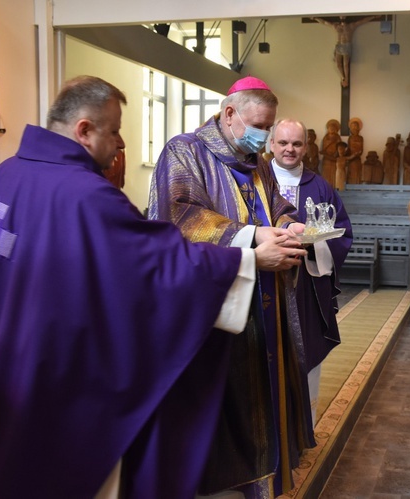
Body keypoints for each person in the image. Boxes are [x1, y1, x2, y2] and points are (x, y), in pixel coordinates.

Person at [0, 75, 306, 498]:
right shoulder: (87, 192)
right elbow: (157, 261)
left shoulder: (3, 177)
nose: (119, 143)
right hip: (54, 370)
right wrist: (247, 258)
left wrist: (281, 225)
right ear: (84, 130)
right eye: (113, 131)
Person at [148, 76, 313, 499]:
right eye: (259, 125)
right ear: (229, 114)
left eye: (269, 127)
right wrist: (252, 238)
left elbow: (273, 203)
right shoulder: (184, 151)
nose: (264, 136)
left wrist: (288, 223)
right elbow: (178, 218)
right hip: (216, 306)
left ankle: (261, 481)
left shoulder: (255, 159)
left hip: (265, 300)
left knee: (264, 391)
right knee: (220, 404)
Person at [267, 118, 353, 425]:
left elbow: (342, 232)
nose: (290, 149)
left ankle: (303, 428)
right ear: (271, 144)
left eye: (297, 143)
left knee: (305, 354)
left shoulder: (320, 186)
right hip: (264, 284)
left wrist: (314, 242)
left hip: (306, 286)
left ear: (306, 146)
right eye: (283, 142)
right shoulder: (254, 180)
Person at [311, 15, 380, 87]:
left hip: (346, 45)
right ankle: (343, 77)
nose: (342, 20)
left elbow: (362, 21)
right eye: (341, 18)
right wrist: (315, 18)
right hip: (339, 45)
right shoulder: (336, 26)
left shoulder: (351, 26)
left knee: (345, 64)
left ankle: (346, 78)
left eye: (344, 18)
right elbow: (325, 22)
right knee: (338, 64)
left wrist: (374, 17)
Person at [319, 118, 340, 187]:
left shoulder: (337, 137)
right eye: (330, 128)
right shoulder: (325, 137)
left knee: (334, 174)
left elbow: (340, 147)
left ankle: (333, 188)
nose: (332, 129)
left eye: (333, 128)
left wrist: (336, 153)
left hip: (334, 159)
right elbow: (323, 148)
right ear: (328, 129)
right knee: (326, 174)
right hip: (326, 159)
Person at [346, 117, 363, 184]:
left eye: (356, 127)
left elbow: (361, 149)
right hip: (351, 159)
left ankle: (357, 187)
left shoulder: (361, 138)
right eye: (353, 127)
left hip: (357, 158)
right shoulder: (350, 138)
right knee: (351, 173)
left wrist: (357, 154)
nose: (355, 128)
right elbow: (348, 148)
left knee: (357, 173)